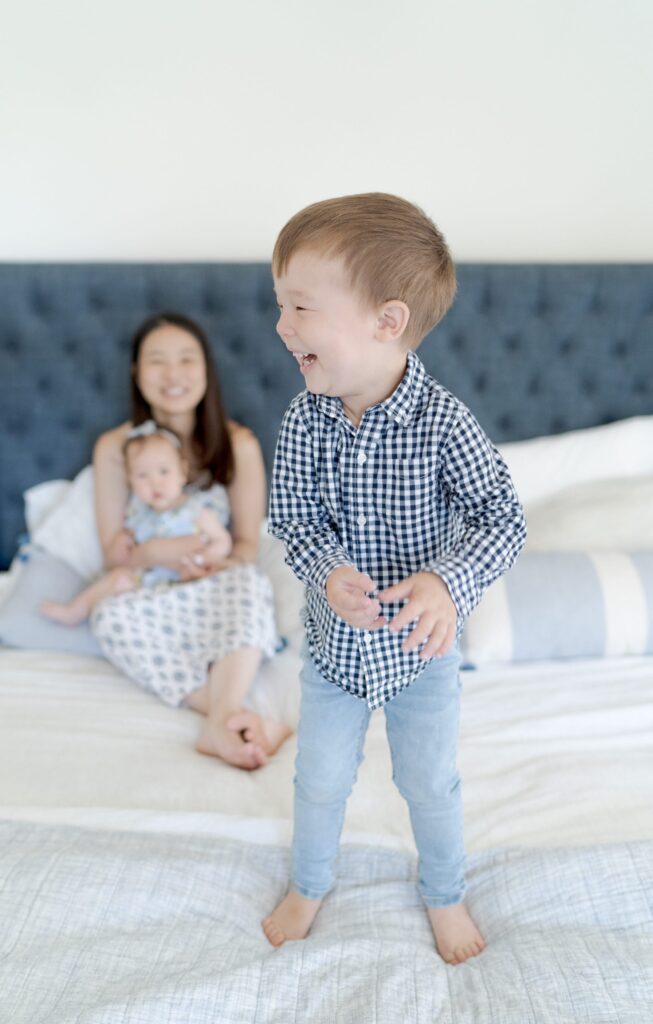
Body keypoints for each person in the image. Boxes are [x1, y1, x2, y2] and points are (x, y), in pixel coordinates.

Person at [262, 193, 526, 963]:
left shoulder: (444, 424)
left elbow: (501, 519)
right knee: (317, 781)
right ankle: (310, 881)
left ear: (386, 321)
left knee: (429, 783)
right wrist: (326, 570)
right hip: (338, 650)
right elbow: (293, 521)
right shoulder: (302, 421)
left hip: (420, 651)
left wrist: (448, 582)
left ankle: (443, 893)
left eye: (300, 307)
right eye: (279, 304)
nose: (281, 327)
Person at [90, 311, 292, 770]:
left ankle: (219, 719)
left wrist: (211, 565)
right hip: (156, 594)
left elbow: (245, 543)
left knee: (250, 581)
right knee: (106, 618)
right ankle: (230, 715)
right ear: (136, 373)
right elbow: (113, 555)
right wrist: (159, 554)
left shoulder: (237, 444)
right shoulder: (114, 449)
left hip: (215, 585)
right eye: (157, 361)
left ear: (206, 370)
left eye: (187, 359)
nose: (173, 375)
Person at [40, 421, 233, 624]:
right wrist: (121, 543)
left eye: (164, 472)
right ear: (130, 481)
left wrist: (207, 556)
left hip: (186, 579)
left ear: (182, 471)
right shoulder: (138, 516)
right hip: (146, 585)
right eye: (142, 475)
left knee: (214, 584)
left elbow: (223, 540)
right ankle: (76, 610)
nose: (155, 483)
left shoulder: (196, 511)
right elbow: (121, 557)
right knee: (118, 578)